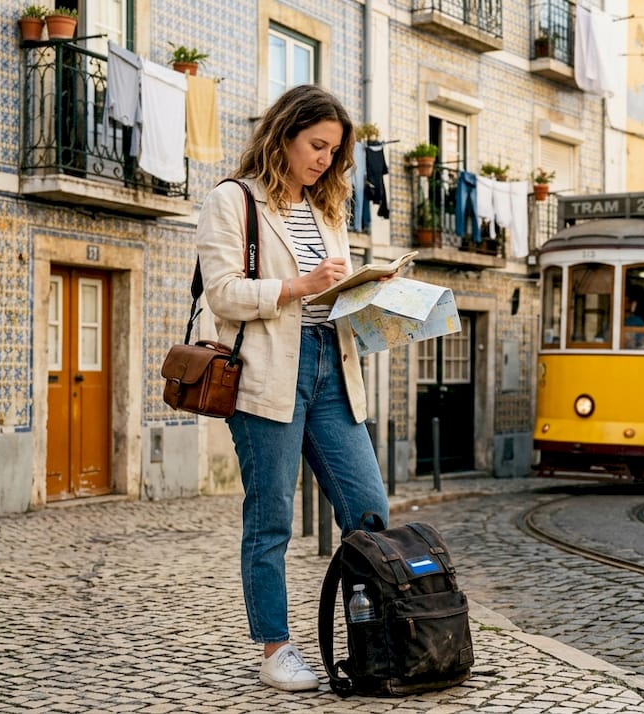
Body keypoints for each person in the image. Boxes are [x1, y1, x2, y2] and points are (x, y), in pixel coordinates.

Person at [195, 85, 389, 693]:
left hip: (334, 364)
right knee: (271, 518)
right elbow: (221, 292)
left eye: (334, 151)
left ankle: (375, 637)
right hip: (268, 370)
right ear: (283, 136)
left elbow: (334, 293)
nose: (325, 160)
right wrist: (298, 286)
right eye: (316, 145)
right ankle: (275, 648)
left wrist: (375, 298)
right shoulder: (233, 200)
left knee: (370, 513)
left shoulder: (330, 208)